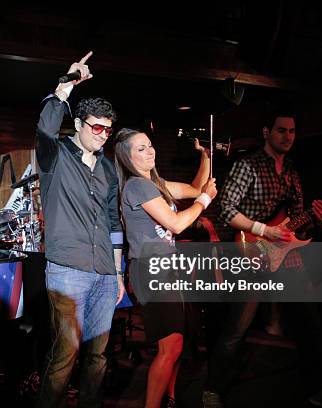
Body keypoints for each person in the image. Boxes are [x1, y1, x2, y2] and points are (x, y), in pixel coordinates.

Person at [203, 108, 322, 408]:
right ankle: (212, 389)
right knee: (237, 328)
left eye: (292, 131)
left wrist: (318, 219)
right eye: (281, 130)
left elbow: (298, 221)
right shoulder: (248, 165)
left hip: (287, 257)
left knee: (310, 322)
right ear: (266, 132)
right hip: (252, 252)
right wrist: (265, 231)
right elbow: (225, 210)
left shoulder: (292, 172)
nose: (288, 136)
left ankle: (315, 387)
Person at [35, 51, 125, 408]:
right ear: (80, 125)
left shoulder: (107, 170)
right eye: (97, 128)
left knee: (98, 358)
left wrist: (117, 272)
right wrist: (66, 84)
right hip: (67, 271)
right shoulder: (54, 155)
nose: (103, 135)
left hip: (104, 270)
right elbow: (45, 125)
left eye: (108, 129)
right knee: (65, 356)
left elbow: (113, 222)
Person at [114, 128, 216, 408]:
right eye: (141, 149)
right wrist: (204, 201)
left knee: (177, 346)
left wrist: (205, 156)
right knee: (169, 347)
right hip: (150, 269)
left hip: (166, 267)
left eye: (150, 145)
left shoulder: (156, 184)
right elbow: (177, 223)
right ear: (126, 157)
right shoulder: (136, 185)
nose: (150, 151)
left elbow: (195, 188)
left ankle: (168, 400)